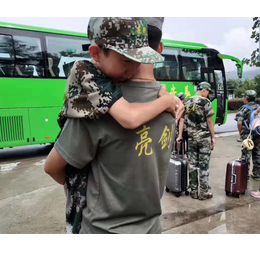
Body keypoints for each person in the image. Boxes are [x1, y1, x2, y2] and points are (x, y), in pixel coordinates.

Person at [45, 17, 177, 234]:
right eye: (126, 60)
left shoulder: (97, 112)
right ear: (159, 49)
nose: (132, 66)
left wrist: (82, 193)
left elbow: (52, 167)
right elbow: (129, 118)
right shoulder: (169, 104)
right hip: (152, 228)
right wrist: (166, 100)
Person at [183, 82, 215, 200]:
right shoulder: (205, 102)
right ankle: (204, 192)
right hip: (204, 138)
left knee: (192, 164)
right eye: (208, 92)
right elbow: (210, 121)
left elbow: (184, 120)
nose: (208, 94)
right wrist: (213, 137)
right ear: (204, 90)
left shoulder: (187, 101)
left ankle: (194, 191)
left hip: (191, 138)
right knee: (203, 165)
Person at [235, 90, 260, 181]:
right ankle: (257, 174)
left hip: (247, 135)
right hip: (258, 133)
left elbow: (239, 122)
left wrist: (240, 133)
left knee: (246, 155)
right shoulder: (258, 107)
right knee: (257, 153)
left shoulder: (244, 108)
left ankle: (245, 176)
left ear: (246, 98)